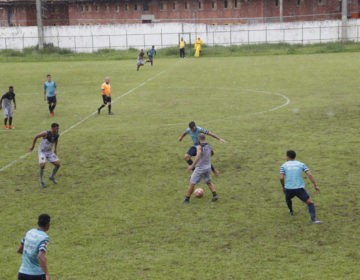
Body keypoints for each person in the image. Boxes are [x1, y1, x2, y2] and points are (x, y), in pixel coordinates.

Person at [280, 150, 322, 224]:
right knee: (310, 203)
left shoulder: (283, 165)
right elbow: (309, 174)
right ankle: (313, 220)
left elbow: (281, 178)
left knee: (287, 198)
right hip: (299, 189)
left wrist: (283, 186)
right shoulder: (301, 164)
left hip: (288, 188)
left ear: (287, 156)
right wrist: (315, 185)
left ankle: (291, 211)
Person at [183, 133, 218, 203]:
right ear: (205, 138)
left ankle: (187, 199)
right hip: (208, 167)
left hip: (200, 168)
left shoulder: (199, 147)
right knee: (208, 182)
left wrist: (192, 166)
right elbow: (212, 153)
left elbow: (198, 156)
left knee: (192, 183)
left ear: (199, 139)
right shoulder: (209, 145)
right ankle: (215, 195)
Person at [17, 214, 51, 280]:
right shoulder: (44, 238)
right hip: (36, 275)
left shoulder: (29, 232)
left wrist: (29, 255)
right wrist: (47, 274)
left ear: (37, 222)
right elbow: (40, 256)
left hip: (22, 273)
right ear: (48, 224)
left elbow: (19, 249)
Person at [29, 123, 60, 188]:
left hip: (49, 152)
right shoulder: (46, 133)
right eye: (57, 128)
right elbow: (36, 136)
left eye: (58, 128)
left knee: (58, 164)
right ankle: (41, 180)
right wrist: (33, 146)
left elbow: (56, 140)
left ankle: (51, 177)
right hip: (42, 151)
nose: (58, 129)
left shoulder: (57, 134)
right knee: (42, 165)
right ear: (53, 128)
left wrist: (55, 149)